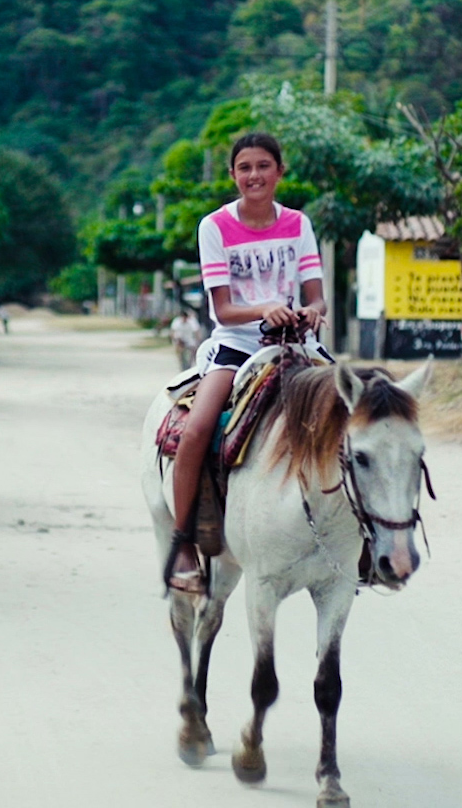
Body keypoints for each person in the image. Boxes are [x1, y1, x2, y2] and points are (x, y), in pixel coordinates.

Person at [166, 133, 331, 594]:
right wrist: (264, 309)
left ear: (280, 171)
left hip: (296, 343)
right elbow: (222, 310)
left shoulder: (299, 223)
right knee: (197, 429)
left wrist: (313, 311)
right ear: (233, 175)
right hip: (238, 345)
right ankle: (182, 540)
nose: (254, 175)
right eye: (245, 167)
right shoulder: (214, 227)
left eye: (263, 166)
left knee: (354, 418)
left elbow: (316, 295)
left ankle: (357, 539)